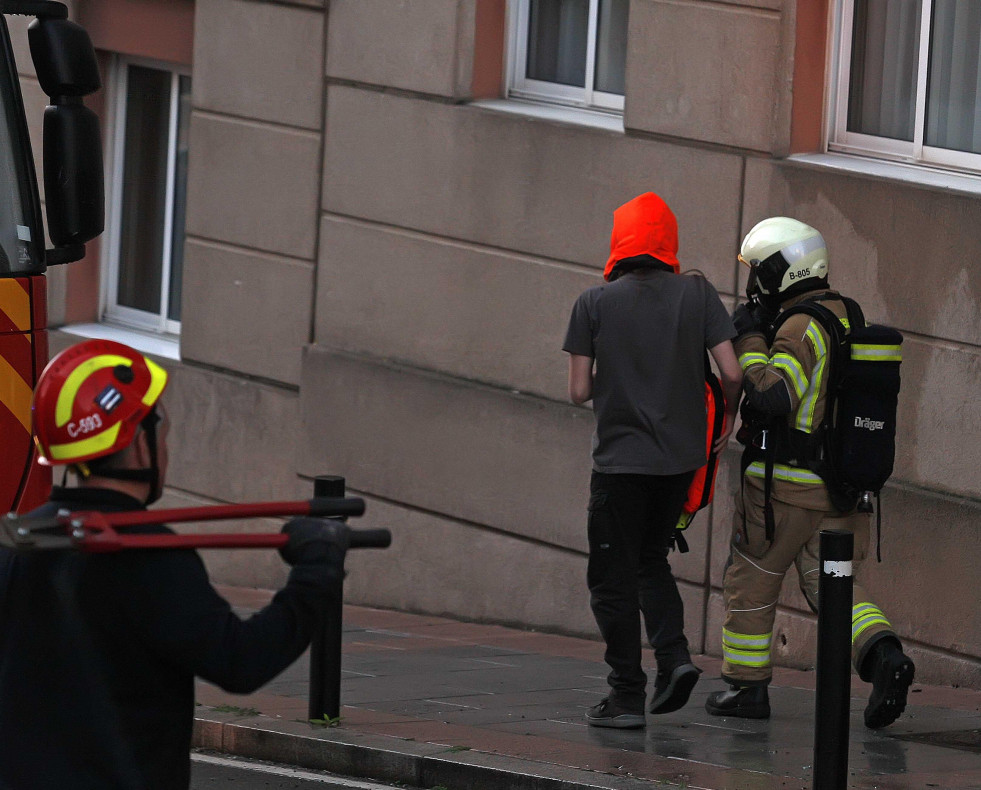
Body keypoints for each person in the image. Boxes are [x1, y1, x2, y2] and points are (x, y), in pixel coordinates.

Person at [0, 339, 344, 789]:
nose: (166, 450)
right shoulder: (148, 554)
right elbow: (240, 661)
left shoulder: (17, 543)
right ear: (139, 446)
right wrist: (316, 574)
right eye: (162, 435)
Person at [705, 217, 915, 728]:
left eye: (759, 272)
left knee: (750, 581)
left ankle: (747, 689)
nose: (755, 284)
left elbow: (772, 393)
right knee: (832, 586)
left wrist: (749, 338)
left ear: (782, 271)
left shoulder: (800, 327)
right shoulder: (845, 313)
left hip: (785, 490)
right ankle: (884, 656)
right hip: (838, 490)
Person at [562, 192, 742, 728]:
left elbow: (578, 391)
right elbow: (732, 373)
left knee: (611, 582)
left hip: (620, 466)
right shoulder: (698, 293)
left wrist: (617, 372)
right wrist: (728, 417)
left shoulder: (593, 304)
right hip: (678, 464)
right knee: (650, 562)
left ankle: (625, 696)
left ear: (619, 242)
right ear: (668, 241)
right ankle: (675, 658)